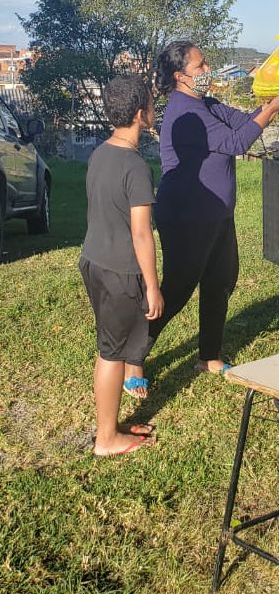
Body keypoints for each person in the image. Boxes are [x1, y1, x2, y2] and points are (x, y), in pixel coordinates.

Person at [142, 40, 279, 374]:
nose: (208, 70)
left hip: (215, 213)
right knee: (177, 289)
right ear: (180, 76)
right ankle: (132, 358)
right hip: (187, 215)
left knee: (220, 281)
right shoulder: (186, 112)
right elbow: (236, 142)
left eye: (206, 63)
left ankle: (209, 356)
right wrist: (272, 111)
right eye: (200, 66)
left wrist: (273, 103)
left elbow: (243, 121)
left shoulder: (207, 104)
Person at [79, 75, 163, 457]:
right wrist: (153, 286)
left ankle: (110, 426)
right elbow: (142, 234)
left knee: (109, 345)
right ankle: (107, 439)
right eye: (151, 104)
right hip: (120, 273)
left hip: (93, 262)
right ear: (140, 114)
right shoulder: (136, 166)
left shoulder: (100, 153)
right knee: (111, 353)